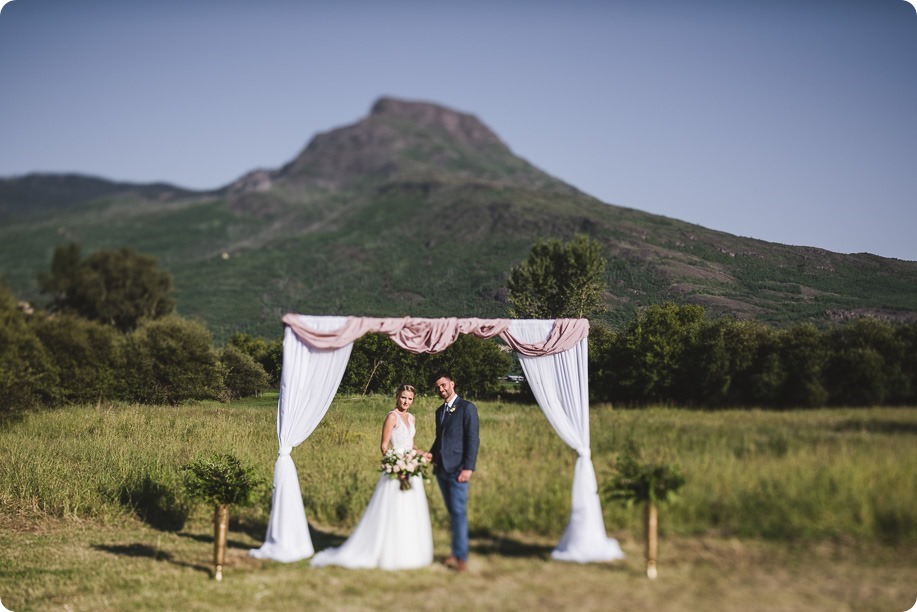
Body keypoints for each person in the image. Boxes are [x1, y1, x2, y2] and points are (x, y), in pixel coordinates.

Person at [311, 384, 433, 570]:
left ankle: (409, 550)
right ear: (397, 396)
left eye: (409, 399)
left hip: (410, 466)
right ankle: (386, 550)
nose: (406, 401)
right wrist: (395, 466)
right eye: (403, 397)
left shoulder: (412, 418)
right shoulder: (392, 417)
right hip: (396, 467)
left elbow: (410, 443)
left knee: (410, 507)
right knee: (393, 507)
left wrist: (420, 453)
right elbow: (384, 446)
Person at [428, 371, 479, 572]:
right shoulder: (439, 412)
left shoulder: (467, 408)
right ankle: (456, 552)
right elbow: (439, 439)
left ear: (452, 383)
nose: (441, 389)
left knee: (458, 512)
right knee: (453, 513)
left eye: (443, 385)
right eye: (438, 387)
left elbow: (473, 440)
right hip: (441, 469)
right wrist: (428, 455)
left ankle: (461, 557)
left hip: (459, 469)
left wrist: (468, 467)